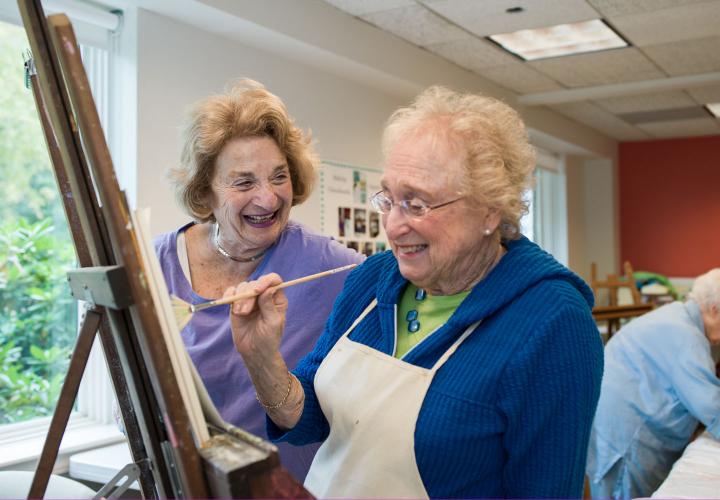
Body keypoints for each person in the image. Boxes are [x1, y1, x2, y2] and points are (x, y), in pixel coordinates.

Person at [226, 85, 604, 498]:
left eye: (417, 203)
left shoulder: (553, 321)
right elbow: (309, 418)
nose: (393, 225)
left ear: (489, 209)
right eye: (389, 199)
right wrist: (262, 360)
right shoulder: (375, 278)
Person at [154, 79, 364, 481]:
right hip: (188, 485)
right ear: (204, 191)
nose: (268, 199)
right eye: (244, 182)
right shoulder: (157, 264)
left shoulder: (333, 267)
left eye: (279, 177)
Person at [586, 268, 720, 499]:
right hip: (627, 443)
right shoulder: (685, 336)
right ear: (715, 309)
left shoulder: (675, 317)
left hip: (617, 434)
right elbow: (712, 407)